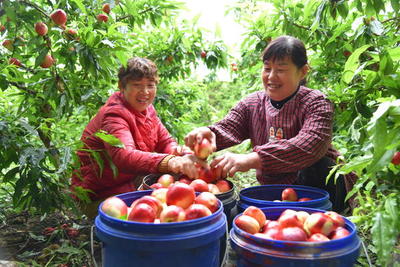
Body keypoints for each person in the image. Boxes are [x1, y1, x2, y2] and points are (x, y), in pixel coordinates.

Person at [185, 36, 357, 212]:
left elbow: (310, 145)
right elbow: (229, 127)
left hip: (319, 188)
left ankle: (328, 211)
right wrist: (208, 134)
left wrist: (252, 159)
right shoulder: (252, 104)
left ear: (303, 71)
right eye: (267, 68)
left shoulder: (317, 103)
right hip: (275, 191)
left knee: (318, 165)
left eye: (281, 70)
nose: (271, 76)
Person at [71, 57, 199, 217]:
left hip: (128, 181)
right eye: (137, 85)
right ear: (122, 87)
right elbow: (124, 156)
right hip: (99, 195)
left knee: (174, 181)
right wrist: (170, 161)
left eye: (150, 86)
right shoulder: (114, 114)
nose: (145, 92)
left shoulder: (147, 110)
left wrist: (181, 153)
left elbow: (165, 141)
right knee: (155, 202)